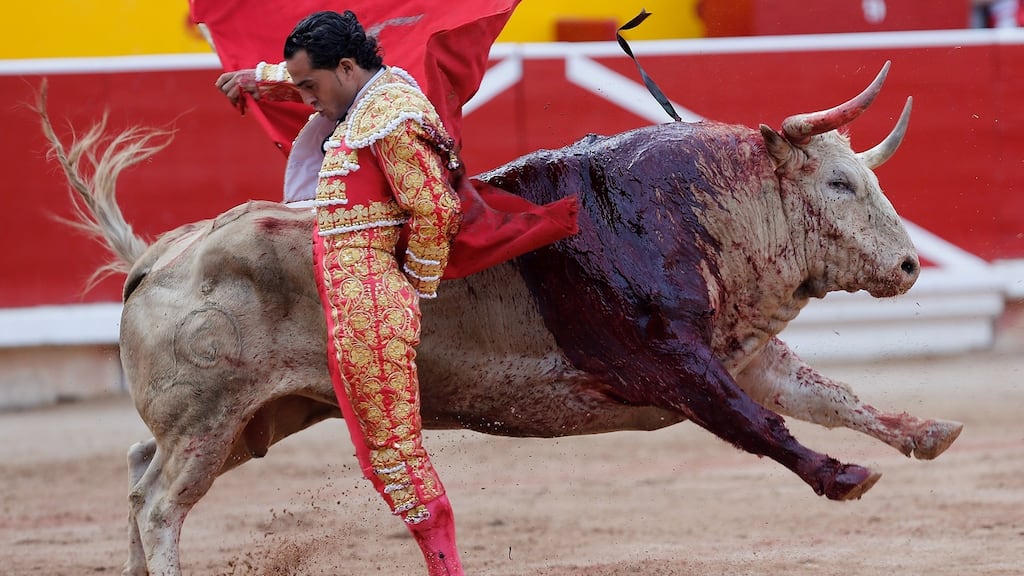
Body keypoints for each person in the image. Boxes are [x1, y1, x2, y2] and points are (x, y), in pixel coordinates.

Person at [217, 10, 467, 575]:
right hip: (351, 303)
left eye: (310, 87)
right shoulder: (365, 100)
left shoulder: (391, 116)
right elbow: (318, 77)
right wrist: (263, 78)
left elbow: (435, 207)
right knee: (377, 452)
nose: (305, 98)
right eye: (299, 86)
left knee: (393, 453)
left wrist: (414, 287)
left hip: (372, 305)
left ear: (349, 67)